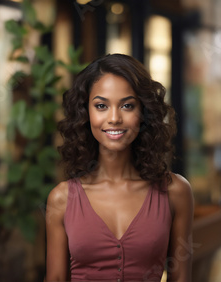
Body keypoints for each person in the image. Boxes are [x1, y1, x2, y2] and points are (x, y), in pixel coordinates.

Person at [45, 54, 194, 282]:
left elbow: (181, 278)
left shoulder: (175, 192)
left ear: (143, 113)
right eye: (101, 106)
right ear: (86, 114)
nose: (114, 118)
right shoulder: (61, 199)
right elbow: (55, 279)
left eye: (127, 105)